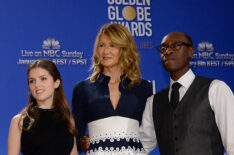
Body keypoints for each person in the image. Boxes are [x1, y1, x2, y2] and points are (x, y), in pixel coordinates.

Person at [139, 32, 234, 155]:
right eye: (163, 48)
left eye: (176, 46)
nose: (168, 51)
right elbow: (142, 146)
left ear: (191, 51)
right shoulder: (154, 102)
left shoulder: (215, 89)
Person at [72, 23, 152, 154]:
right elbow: (76, 135)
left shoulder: (143, 87)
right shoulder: (82, 89)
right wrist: (82, 142)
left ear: (124, 49)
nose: (105, 51)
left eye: (112, 45)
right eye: (101, 45)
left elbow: (150, 133)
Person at [8, 59, 78, 155]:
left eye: (43, 78)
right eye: (32, 81)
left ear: (56, 83)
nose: (37, 85)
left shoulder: (68, 121)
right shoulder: (19, 121)